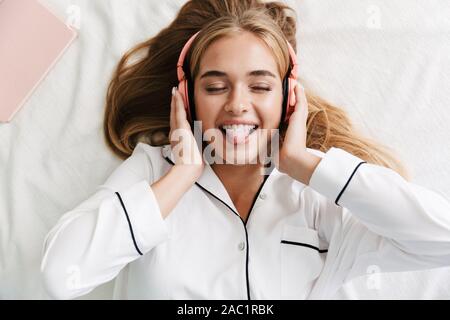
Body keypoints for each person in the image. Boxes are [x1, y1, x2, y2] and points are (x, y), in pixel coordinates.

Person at [40, 0, 450, 300]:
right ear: (187, 97)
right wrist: (182, 175)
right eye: (215, 86)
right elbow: (62, 276)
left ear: (289, 99)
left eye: (260, 86)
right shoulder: (153, 172)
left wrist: (306, 165)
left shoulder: (318, 197)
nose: (237, 104)